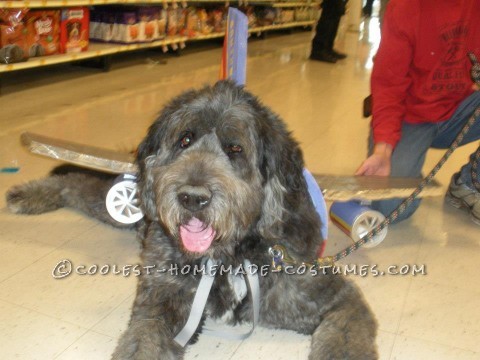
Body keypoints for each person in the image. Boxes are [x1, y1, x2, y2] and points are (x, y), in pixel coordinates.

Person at [356, 0, 480, 225]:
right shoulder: (406, 7)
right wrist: (383, 149)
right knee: (392, 210)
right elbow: (388, 85)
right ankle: (405, 162)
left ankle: (469, 183)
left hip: (458, 109)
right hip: (409, 116)